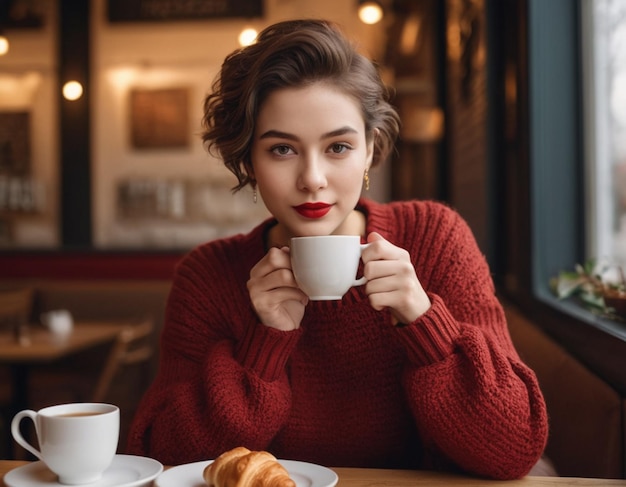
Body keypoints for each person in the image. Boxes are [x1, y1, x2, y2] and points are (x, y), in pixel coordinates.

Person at [126, 19, 548, 480]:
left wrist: (426, 324)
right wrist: (262, 345)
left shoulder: (435, 238)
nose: (312, 179)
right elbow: (161, 455)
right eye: (282, 150)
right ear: (248, 160)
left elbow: (516, 447)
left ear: (370, 148)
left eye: (339, 147)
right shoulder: (208, 276)